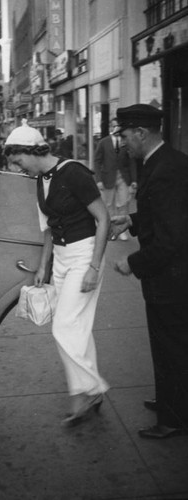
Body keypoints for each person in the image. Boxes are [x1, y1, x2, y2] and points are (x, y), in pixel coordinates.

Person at [4, 123, 110, 426]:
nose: (17, 168)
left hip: (84, 254)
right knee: (76, 327)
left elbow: (102, 219)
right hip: (63, 259)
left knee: (63, 326)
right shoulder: (40, 179)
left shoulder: (74, 172)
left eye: (18, 161)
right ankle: (91, 392)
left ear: (32, 151)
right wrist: (44, 268)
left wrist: (93, 266)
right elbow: (49, 227)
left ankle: (88, 392)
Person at [111, 104, 188, 439]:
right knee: (171, 346)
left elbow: (172, 236)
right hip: (172, 278)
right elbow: (163, 215)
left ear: (141, 133)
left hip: (171, 280)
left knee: (171, 347)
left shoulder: (165, 169)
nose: (123, 143)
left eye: (126, 136)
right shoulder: (162, 162)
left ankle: (172, 419)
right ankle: (171, 401)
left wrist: (133, 263)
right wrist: (133, 220)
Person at [94, 118, 138, 240]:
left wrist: (134, 180)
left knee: (123, 203)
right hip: (107, 178)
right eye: (113, 126)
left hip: (123, 178)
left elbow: (131, 162)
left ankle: (122, 229)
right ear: (110, 127)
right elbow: (97, 162)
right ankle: (110, 228)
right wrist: (98, 180)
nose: (116, 128)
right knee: (108, 204)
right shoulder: (104, 142)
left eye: (118, 126)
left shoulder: (125, 141)